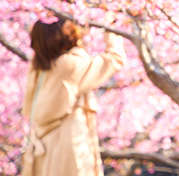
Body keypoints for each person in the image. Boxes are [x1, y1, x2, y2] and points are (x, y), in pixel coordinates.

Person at [22, 18, 125, 176]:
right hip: (68, 141)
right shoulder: (70, 65)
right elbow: (114, 60)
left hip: (43, 147)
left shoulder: (38, 68)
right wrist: (110, 27)